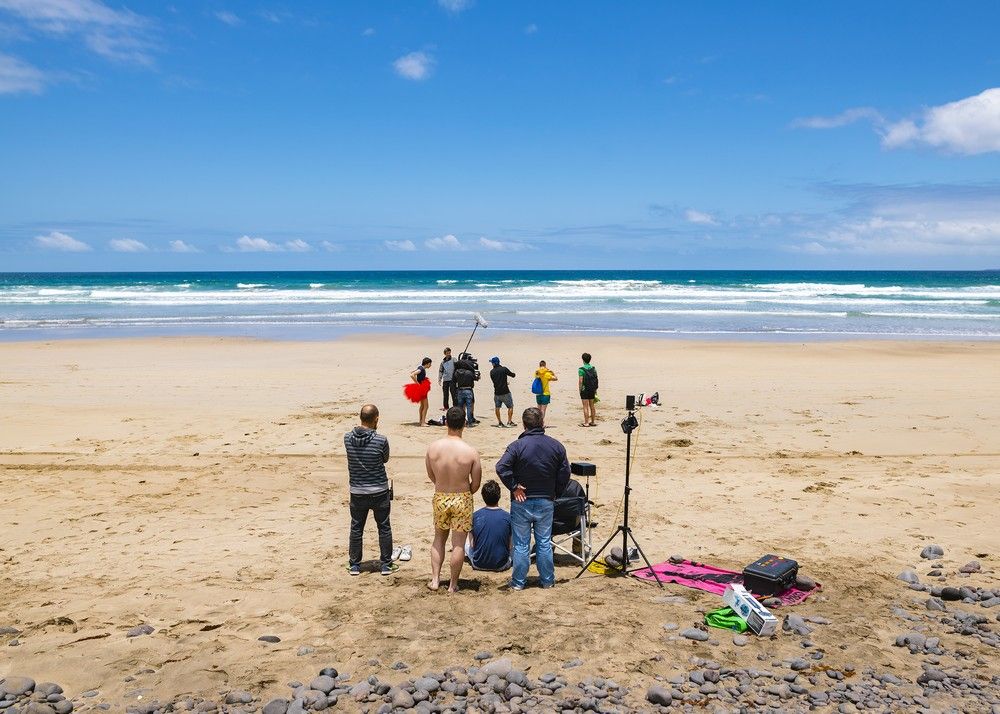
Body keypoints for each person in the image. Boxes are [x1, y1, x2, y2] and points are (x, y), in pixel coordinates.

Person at [496, 407, 571, 590]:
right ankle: (547, 581)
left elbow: (501, 467)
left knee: (522, 544)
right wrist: (556, 492)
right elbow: (565, 473)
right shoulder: (556, 445)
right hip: (544, 499)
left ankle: (519, 582)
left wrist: (514, 486)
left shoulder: (517, 446)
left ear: (524, 425)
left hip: (523, 500)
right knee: (544, 542)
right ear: (542, 423)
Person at [426, 406, 483, 592]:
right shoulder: (470, 451)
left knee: (438, 539)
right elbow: (476, 483)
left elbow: (431, 475)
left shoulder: (433, 448)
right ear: (464, 424)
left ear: (446, 423)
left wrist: (442, 485)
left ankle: (435, 580)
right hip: (462, 497)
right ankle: (452, 584)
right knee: (458, 543)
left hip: (441, 495)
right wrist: (465, 491)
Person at [343, 404, 396, 576]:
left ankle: (354, 565)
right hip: (379, 490)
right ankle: (386, 564)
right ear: (376, 419)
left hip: (358, 491)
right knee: (384, 527)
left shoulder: (347, 438)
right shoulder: (381, 440)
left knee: (357, 528)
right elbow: (385, 459)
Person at [467, 479, 512, 571]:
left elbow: (472, 545)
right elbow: (510, 546)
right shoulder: (508, 517)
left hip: (478, 564)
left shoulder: (475, 516)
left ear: (483, 497)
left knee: (465, 543)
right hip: (501, 565)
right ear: (499, 496)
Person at [488, 356, 516, 428]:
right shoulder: (504, 369)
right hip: (505, 391)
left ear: (494, 363)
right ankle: (509, 422)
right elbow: (513, 375)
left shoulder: (492, 372)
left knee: (497, 407)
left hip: (497, 392)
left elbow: (496, 381)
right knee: (510, 407)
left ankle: (500, 422)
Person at [453, 353, 479, 426]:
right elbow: (475, 378)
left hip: (460, 390)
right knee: (469, 407)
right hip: (468, 390)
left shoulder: (456, 372)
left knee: (460, 408)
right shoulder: (469, 372)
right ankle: (470, 423)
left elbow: (454, 380)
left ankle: (461, 422)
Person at [409, 357, 433, 426]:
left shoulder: (420, 367)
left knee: (422, 405)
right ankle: (422, 422)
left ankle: (421, 421)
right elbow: (412, 375)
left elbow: (414, 372)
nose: (430, 365)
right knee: (426, 406)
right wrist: (418, 384)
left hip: (421, 388)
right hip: (422, 389)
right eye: (430, 364)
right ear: (427, 363)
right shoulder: (422, 369)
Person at [578, 352, 598, 427]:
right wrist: (595, 389)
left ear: (583, 360)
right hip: (592, 389)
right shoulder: (593, 368)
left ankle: (586, 422)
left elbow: (580, 381)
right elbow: (596, 379)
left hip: (585, 389)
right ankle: (592, 422)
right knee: (592, 406)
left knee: (585, 406)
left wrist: (580, 389)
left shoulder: (581, 369)